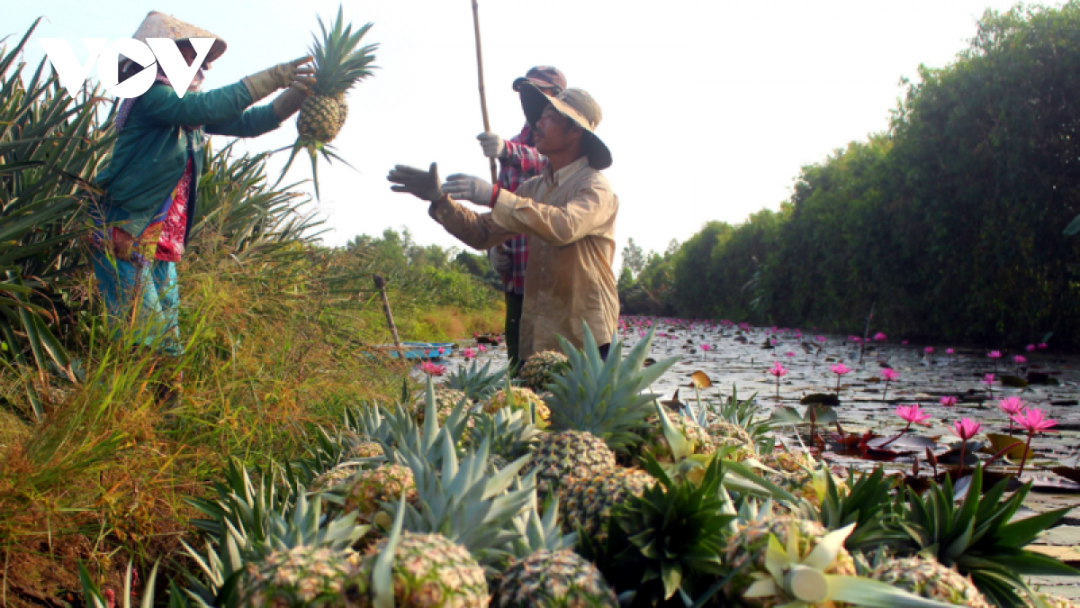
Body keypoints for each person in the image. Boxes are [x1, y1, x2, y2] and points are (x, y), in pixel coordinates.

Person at [89, 11, 315, 401]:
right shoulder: (151, 97)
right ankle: (123, 416)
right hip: (126, 232)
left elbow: (250, 122)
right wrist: (276, 75)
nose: (205, 67)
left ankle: (158, 422)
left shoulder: (183, 112)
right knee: (145, 336)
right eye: (194, 57)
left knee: (167, 338)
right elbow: (207, 107)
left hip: (161, 243)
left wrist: (299, 93)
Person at [388, 83, 619, 361]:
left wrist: (495, 196)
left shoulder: (595, 187)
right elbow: (482, 233)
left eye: (550, 117)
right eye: (541, 116)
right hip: (540, 335)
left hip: (586, 339)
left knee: (587, 406)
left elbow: (565, 226)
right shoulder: (534, 189)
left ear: (575, 131)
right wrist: (439, 200)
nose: (538, 123)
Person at [479, 66, 567, 372]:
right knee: (517, 353)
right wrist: (493, 247)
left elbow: (542, 160)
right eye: (527, 94)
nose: (531, 101)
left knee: (551, 357)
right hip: (515, 271)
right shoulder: (515, 143)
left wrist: (506, 150)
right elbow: (500, 203)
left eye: (540, 93)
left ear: (558, 99)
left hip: (549, 273)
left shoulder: (563, 143)